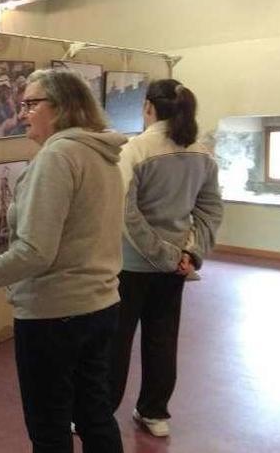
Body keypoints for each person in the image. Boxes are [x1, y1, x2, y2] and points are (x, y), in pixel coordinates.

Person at [0, 69, 126, 453]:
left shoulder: (58, 156)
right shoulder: (100, 152)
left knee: (49, 427)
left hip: (55, 315)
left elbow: (35, 252)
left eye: (30, 104)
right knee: (94, 414)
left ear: (61, 108)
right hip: (99, 305)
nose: (22, 113)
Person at [108, 79, 223, 438]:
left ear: (147, 107)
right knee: (162, 338)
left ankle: (98, 412)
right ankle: (154, 412)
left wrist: (166, 255)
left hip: (131, 265)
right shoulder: (201, 152)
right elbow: (211, 209)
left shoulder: (135, 150)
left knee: (116, 340)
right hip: (176, 266)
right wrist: (189, 254)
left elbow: (125, 214)